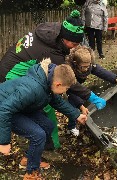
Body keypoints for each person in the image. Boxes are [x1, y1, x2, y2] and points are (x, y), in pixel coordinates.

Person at [0, 9, 104, 150]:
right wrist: (91, 96)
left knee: (44, 102)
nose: (76, 47)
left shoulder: (54, 31)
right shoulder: (49, 52)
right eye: (74, 45)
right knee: (40, 108)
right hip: (10, 75)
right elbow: (68, 81)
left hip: (16, 68)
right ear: (66, 39)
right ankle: (44, 145)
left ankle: (42, 143)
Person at [0, 58, 88, 180]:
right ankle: (31, 173)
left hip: (20, 107)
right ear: (58, 84)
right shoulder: (32, 89)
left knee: (48, 125)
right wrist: (4, 141)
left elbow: (58, 102)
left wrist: (76, 115)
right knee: (38, 135)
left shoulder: (47, 82)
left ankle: (28, 159)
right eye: (66, 89)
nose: (66, 91)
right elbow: (4, 109)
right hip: (4, 109)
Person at [65, 45, 117, 132]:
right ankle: (71, 127)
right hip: (69, 86)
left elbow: (100, 71)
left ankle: (78, 117)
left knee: (81, 98)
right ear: (75, 63)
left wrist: (116, 79)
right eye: (83, 67)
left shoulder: (89, 65)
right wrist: (81, 106)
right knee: (73, 105)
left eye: (88, 66)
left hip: (78, 85)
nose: (86, 69)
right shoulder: (68, 70)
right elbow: (71, 90)